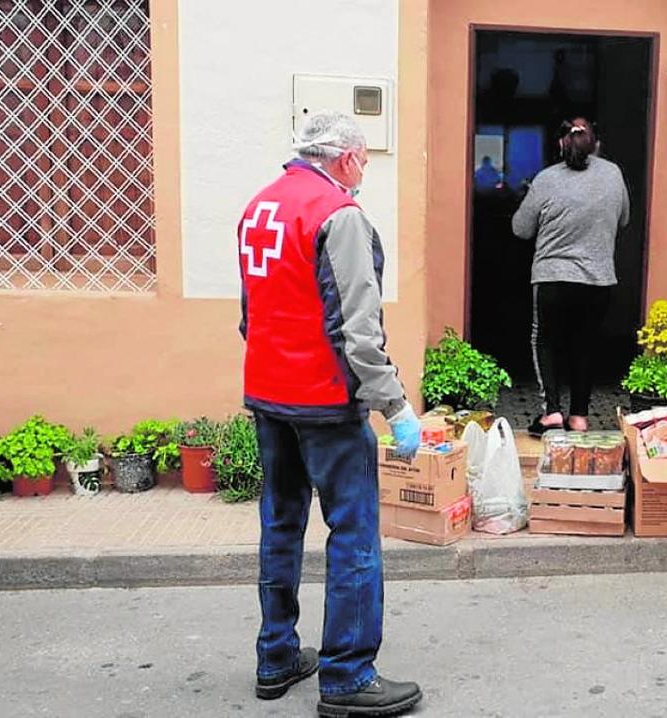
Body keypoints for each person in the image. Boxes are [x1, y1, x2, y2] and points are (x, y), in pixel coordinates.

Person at [238, 110, 424, 718]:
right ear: (345, 158)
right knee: (353, 534)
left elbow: (252, 313)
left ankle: (276, 655)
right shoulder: (338, 215)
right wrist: (395, 405)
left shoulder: (260, 206)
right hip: (325, 401)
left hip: (269, 394)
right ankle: (346, 676)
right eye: (365, 160)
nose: (364, 171)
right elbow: (357, 331)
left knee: (282, 524)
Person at [513, 117, 630, 436]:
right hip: (599, 280)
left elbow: (520, 229)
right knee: (585, 345)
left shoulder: (546, 179)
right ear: (597, 145)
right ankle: (579, 417)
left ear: (561, 144)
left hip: (553, 278)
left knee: (545, 342)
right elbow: (624, 219)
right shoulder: (613, 174)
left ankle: (551, 412)